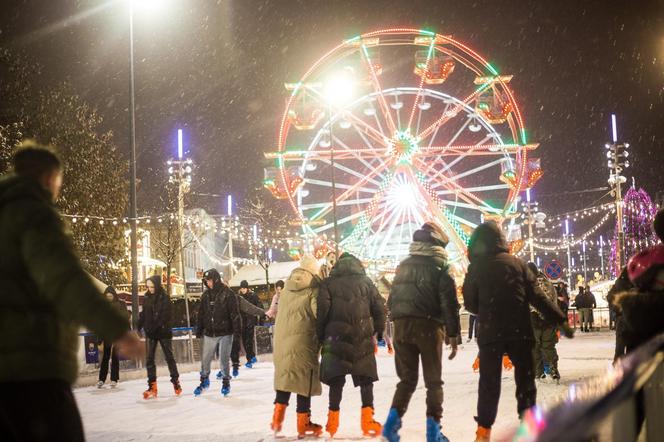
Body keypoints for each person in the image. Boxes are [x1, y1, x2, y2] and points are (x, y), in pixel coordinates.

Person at [0, 142, 143, 441]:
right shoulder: (33, 213)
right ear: (49, 178)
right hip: (32, 366)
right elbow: (65, 280)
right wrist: (117, 328)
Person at [461, 222, 572, 442]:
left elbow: (470, 303)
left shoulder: (476, 268)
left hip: (490, 333)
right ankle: (529, 425)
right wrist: (559, 319)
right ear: (502, 242)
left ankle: (483, 432)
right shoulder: (518, 264)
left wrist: (487, 308)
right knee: (525, 379)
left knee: (489, 383)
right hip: (520, 329)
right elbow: (538, 298)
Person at [382, 222, 460, 442]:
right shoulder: (441, 264)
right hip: (428, 326)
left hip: (402, 327)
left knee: (406, 380)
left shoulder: (404, 265)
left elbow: (392, 299)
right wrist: (453, 333)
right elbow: (449, 302)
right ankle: (433, 433)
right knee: (433, 382)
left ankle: (390, 428)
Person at [317, 253, 386, 438]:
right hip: (361, 336)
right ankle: (367, 421)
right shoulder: (366, 282)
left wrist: (320, 336)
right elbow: (380, 308)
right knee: (366, 380)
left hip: (335, 338)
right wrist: (378, 330)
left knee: (336, 382)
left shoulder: (328, 284)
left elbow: (321, 312)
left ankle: (332, 422)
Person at [270, 257, 323, 438]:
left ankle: (276, 422)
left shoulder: (285, 289)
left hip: (283, 342)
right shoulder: (313, 289)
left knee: (286, 380)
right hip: (303, 342)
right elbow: (318, 314)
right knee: (303, 383)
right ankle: (303, 424)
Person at [195, 269, 241, 396]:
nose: (208, 283)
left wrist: (237, 332)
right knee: (206, 358)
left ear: (215, 279)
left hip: (226, 332)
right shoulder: (205, 295)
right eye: (206, 281)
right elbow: (201, 314)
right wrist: (199, 329)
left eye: (209, 280)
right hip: (210, 332)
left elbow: (235, 314)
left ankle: (226, 382)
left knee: (224, 359)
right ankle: (204, 380)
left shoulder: (228, 293)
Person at [138, 275, 181, 399]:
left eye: (152, 286)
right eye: (148, 287)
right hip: (151, 333)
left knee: (169, 357)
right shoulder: (146, 297)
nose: (150, 289)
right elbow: (144, 313)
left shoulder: (165, 298)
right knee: (150, 359)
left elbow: (165, 315)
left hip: (163, 332)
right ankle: (152, 386)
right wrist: (139, 325)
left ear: (157, 285)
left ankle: (175, 382)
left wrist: (156, 326)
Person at [527, 262, 561, 381]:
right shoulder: (548, 283)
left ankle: (538, 372)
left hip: (534, 321)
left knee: (535, 347)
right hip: (549, 321)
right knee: (548, 346)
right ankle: (553, 369)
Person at [97, 286, 130, 388]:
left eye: (110, 296)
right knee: (105, 357)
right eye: (107, 296)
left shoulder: (121, 304)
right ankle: (101, 379)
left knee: (115, 357)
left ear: (114, 295)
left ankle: (114, 379)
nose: (109, 298)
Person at [231, 280, 263, 374]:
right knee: (245, 341)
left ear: (247, 288)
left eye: (244, 288)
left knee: (249, 340)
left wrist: (260, 318)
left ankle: (250, 359)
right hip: (242, 322)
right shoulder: (239, 297)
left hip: (250, 321)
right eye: (242, 288)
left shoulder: (253, 296)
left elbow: (259, 306)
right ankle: (252, 357)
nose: (243, 290)